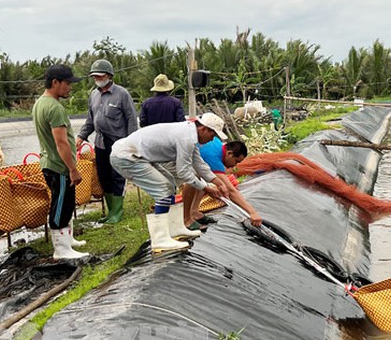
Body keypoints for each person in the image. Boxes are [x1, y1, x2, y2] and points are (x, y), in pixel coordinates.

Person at [110, 113, 257, 252]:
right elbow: (183, 172)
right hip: (128, 156)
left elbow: (200, 165)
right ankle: (160, 239)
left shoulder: (191, 136)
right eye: (212, 135)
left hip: (139, 155)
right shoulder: (186, 138)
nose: (212, 140)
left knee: (169, 186)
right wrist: (207, 188)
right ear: (203, 128)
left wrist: (219, 183)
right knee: (163, 190)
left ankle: (176, 228)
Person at [33, 64, 88, 261]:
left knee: (66, 202)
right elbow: (61, 142)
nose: (70, 87)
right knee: (60, 206)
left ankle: (68, 240)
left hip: (50, 162)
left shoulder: (40, 103)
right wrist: (72, 169)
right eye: (67, 83)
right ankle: (61, 249)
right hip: (59, 166)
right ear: (55, 82)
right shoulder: (54, 108)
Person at [75, 59, 137, 224]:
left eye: (100, 75)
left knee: (117, 176)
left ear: (109, 75)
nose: (97, 78)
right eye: (94, 76)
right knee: (104, 176)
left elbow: (131, 119)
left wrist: (132, 144)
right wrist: (81, 137)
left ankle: (117, 211)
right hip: (100, 143)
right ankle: (110, 211)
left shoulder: (122, 94)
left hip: (119, 143)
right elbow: (90, 120)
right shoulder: (94, 95)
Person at [182, 138, 260, 229]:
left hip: (189, 157)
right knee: (193, 180)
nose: (235, 166)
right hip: (174, 159)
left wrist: (219, 185)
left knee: (202, 178)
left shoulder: (217, 143)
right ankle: (187, 219)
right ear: (229, 154)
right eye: (236, 161)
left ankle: (194, 212)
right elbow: (231, 191)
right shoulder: (213, 158)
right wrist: (252, 212)